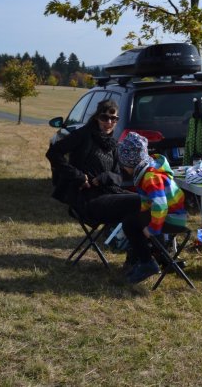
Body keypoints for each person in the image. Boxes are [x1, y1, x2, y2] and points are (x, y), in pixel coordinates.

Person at [46, 99, 140, 228]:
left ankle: (143, 245)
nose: (109, 122)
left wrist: (106, 177)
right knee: (142, 201)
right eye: (104, 118)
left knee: (148, 200)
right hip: (86, 199)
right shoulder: (83, 134)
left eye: (114, 119)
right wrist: (77, 175)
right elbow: (53, 153)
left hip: (108, 193)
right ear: (97, 117)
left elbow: (119, 177)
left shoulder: (112, 144)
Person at [117, 132, 188, 284]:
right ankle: (149, 258)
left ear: (132, 161)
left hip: (173, 217)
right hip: (169, 215)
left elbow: (160, 205)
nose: (123, 167)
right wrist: (142, 216)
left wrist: (152, 228)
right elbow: (147, 201)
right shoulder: (146, 171)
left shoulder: (150, 177)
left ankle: (147, 263)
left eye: (124, 163)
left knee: (129, 223)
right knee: (133, 219)